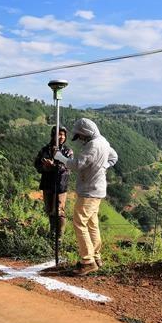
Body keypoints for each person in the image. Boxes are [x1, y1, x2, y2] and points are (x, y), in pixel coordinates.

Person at [54, 118, 118, 276]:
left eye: (81, 136)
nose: (80, 139)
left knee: (79, 223)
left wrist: (60, 157)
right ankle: (96, 257)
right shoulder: (103, 141)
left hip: (89, 191)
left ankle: (87, 261)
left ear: (86, 133)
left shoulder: (93, 145)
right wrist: (102, 167)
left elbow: (77, 165)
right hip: (97, 190)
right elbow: (113, 157)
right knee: (91, 224)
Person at [34, 126, 74, 239]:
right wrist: (44, 167)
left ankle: (59, 237)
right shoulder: (45, 150)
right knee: (49, 210)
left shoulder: (67, 151)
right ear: (53, 135)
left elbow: (68, 167)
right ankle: (52, 233)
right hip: (47, 183)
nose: (61, 137)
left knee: (58, 210)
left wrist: (54, 166)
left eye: (63, 135)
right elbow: (37, 164)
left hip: (60, 184)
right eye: (59, 134)